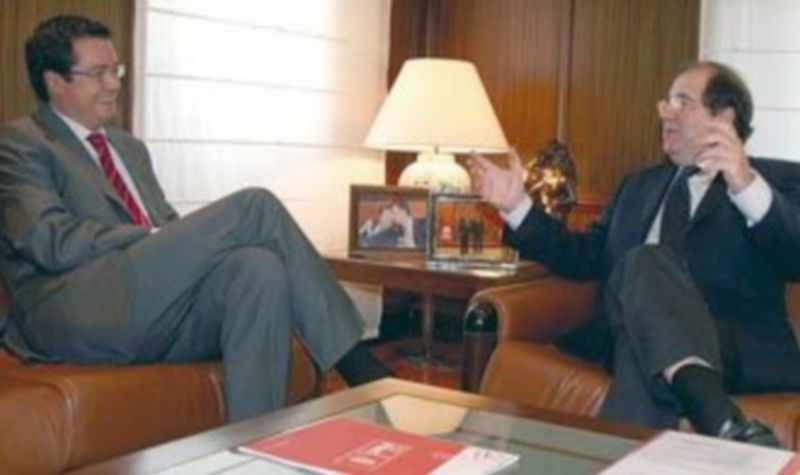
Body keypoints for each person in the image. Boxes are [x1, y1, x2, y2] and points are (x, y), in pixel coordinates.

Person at [0, 14, 390, 423]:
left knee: (258, 268)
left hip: (147, 311)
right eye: (97, 73)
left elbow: (164, 222)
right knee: (254, 206)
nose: (113, 84)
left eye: (115, 70)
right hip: (77, 309)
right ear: (54, 81)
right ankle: (357, 364)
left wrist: (162, 236)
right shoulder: (21, 143)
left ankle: (252, 447)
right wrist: (146, 237)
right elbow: (49, 240)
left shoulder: (129, 148)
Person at [468, 61, 800, 447]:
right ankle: (720, 420)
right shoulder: (638, 186)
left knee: (641, 338)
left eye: (682, 102)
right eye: (665, 102)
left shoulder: (774, 183)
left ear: (723, 117)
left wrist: (742, 181)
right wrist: (516, 206)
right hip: (633, 327)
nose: (665, 112)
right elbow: (584, 256)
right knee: (645, 266)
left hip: (730, 345)